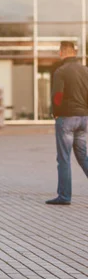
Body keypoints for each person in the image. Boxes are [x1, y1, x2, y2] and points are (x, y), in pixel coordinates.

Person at [47, 41, 88, 205]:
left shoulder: (61, 71)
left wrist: (56, 113)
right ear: (75, 52)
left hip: (67, 118)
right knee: (83, 156)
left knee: (64, 158)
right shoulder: (85, 70)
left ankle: (64, 196)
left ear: (62, 52)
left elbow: (57, 95)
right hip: (84, 118)